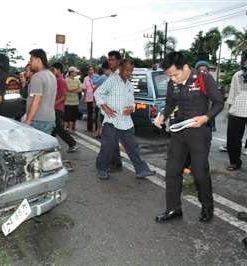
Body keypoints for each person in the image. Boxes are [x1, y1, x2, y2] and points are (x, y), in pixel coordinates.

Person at [154, 51, 224, 223]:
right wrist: (162, 115)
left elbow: (219, 102)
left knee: (199, 172)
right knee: (172, 171)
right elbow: (170, 103)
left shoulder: (203, 78)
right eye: (169, 76)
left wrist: (206, 118)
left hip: (199, 132)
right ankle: (173, 209)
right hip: (179, 131)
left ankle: (207, 207)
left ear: (185, 68)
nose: (172, 79)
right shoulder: (173, 83)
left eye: (174, 74)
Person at [94, 59, 155, 180]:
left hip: (126, 121)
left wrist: (131, 109)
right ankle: (102, 169)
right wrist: (105, 107)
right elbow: (98, 93)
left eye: (131, 71)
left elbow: (132, 102)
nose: (128, 73)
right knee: (108, 146)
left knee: (133, 147)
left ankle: (141, 170)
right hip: (112, 120)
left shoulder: (129, 85)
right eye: (127, 70)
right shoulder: (112, 80)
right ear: (120, 68)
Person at [24, 49, 57, 134]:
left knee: (33, 147)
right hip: (50, 119)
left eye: (31, 60)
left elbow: (36, 101)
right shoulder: (52, 75)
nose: (30, 62)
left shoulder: (37, 76)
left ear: (38, 60)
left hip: (37, 120)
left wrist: (27, 121)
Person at [224, 49, 247, 171]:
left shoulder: (238, 74)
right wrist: (229, 111)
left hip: (238, 109)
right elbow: (232, 95)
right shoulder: (237, 75)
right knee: (233, 139)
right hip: (237, 109)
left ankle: (234, 162)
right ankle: (234, 162)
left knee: (233, 138)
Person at [51, 62, 79, 153]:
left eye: (53, 69)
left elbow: (63, 96)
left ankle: (72, 144)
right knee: (54, 129)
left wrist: (53, 104)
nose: (52, 71)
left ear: (58, 69)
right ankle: (49, 146)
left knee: (59, 128)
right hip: (56, 107)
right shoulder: (57, 79)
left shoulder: (61, 80)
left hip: (57, 108)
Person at [93, 61, 112, 138]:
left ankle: (101, 133)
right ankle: (100, 133)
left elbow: (95, 89)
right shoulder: (106, 77)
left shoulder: (105, 77)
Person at [64, 66, 82, 133]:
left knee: (72, 117)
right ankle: (65, 129)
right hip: (67, 102)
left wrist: (72, 90)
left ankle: (70, 129)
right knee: (66, 116)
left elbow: (80, 89)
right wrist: (76, 89)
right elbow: (68, 89)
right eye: (75, 72)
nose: (76, 73)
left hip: (75, 102)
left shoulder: (77, 80)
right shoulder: (66, 80)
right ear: (71, 72)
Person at [83, 65, 96, 132]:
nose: (91, 71)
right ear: (88, 71)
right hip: (88, 97)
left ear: (94, 70)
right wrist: (85, 98)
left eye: (92, 70)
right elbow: (84, 89)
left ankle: (97, 129)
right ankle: (89, 128)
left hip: (95, 98)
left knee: (96, 112)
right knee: (89, 113)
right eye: (89, 70)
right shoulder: (86, 78)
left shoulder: (96, 77)